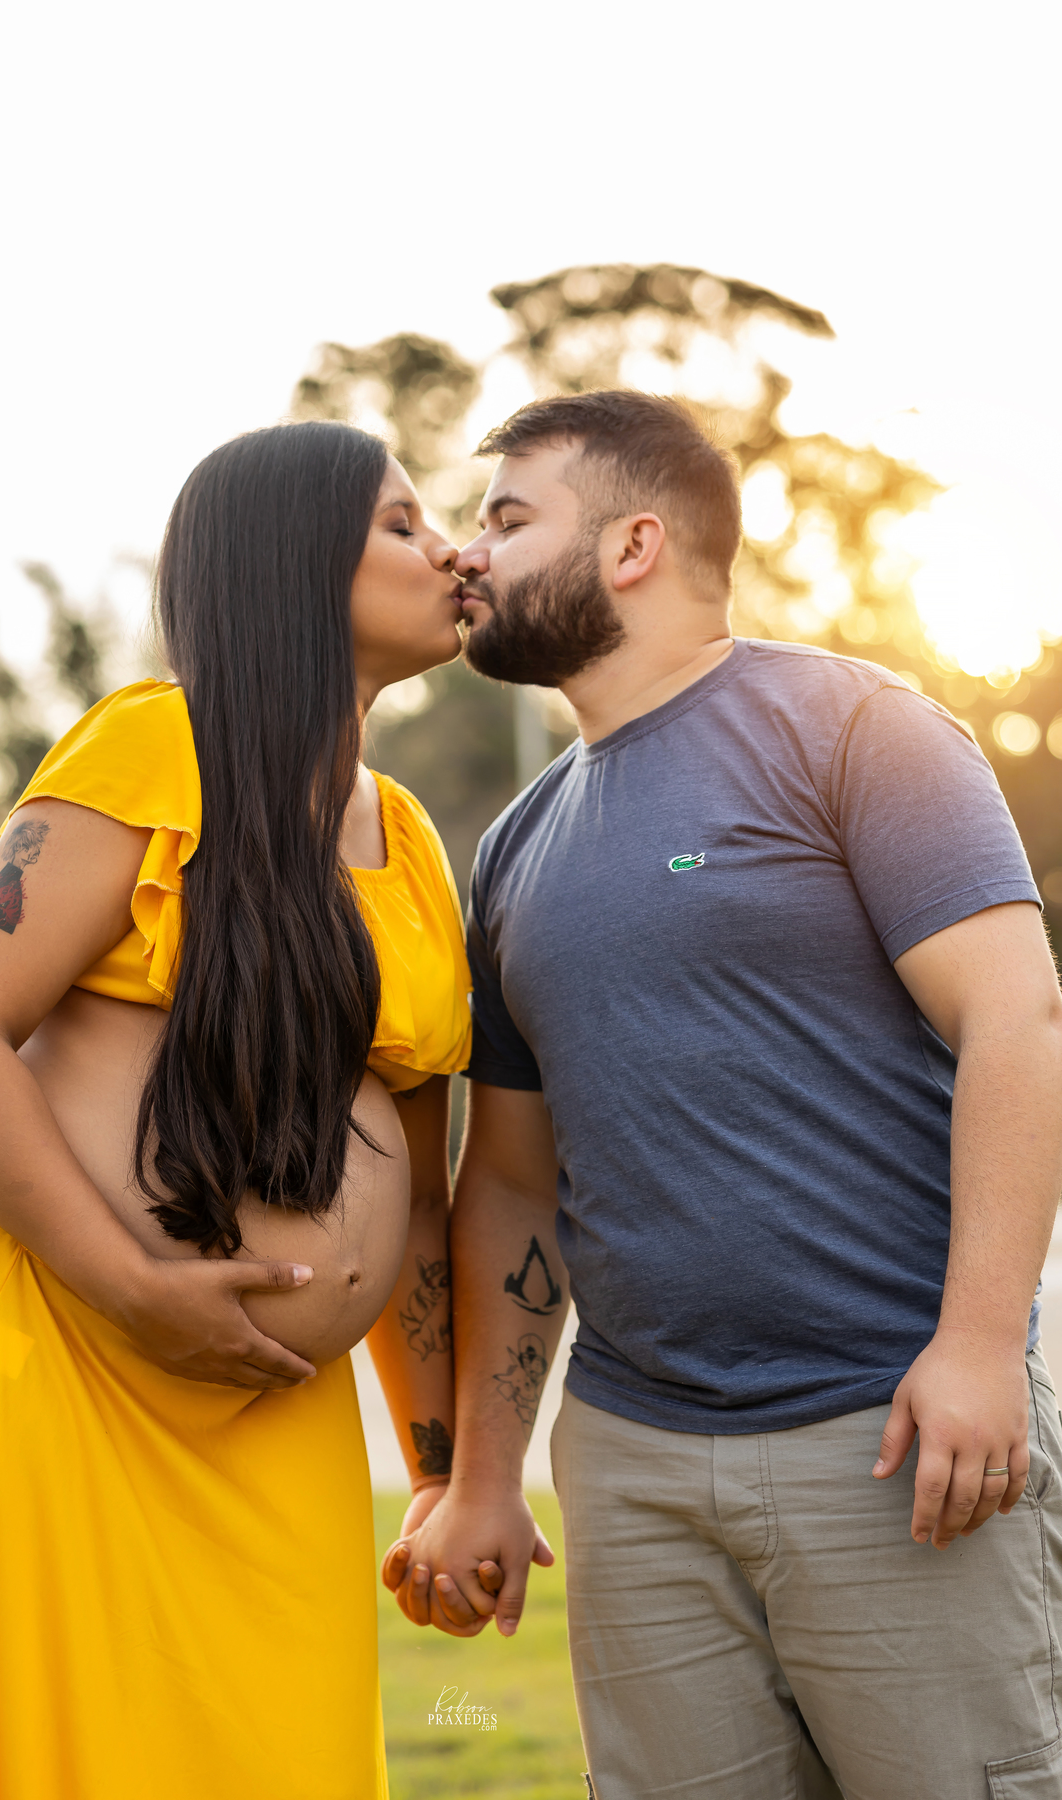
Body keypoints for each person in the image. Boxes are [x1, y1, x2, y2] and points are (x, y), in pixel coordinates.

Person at [384, 390, 1062, 1799]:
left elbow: (1017, 1017)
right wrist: (488, 1476)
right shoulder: (512, 852)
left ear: (632, 545)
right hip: (633, 1473)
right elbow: (510, 1182)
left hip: (889, 1438)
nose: (470, 554)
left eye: (509, 519)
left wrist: (984, 1346)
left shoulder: (853, 727)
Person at [0, 421, 474, 1800]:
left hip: (266, 1409)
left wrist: (443, 1473)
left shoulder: (415, 843)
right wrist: (135, 1285)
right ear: (294, 572)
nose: (449, 548)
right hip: (56, 1352)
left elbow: (421, 1204)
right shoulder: (157, 744)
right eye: (399, 522)